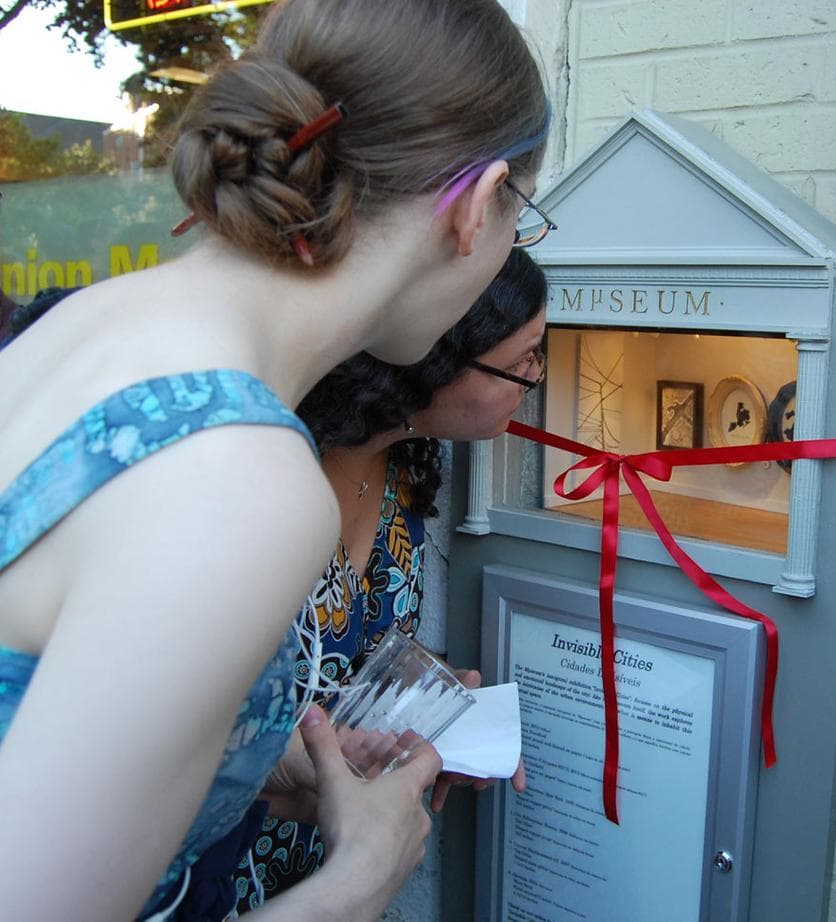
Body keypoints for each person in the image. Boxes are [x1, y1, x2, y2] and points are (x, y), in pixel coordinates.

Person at [0, 0, 550, 919]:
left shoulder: (85, 327)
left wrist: (243, 765)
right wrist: (360, 879)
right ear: (480, 205)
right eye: (521, 216)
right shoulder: (242, 476)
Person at [233, 247, 548, 911]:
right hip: (215, 874)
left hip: (329, 869)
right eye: (523, 361)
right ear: (436, 360)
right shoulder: (263, 472)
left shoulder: (407, 466)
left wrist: (423, 694)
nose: (537, 379)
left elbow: (350, 648)